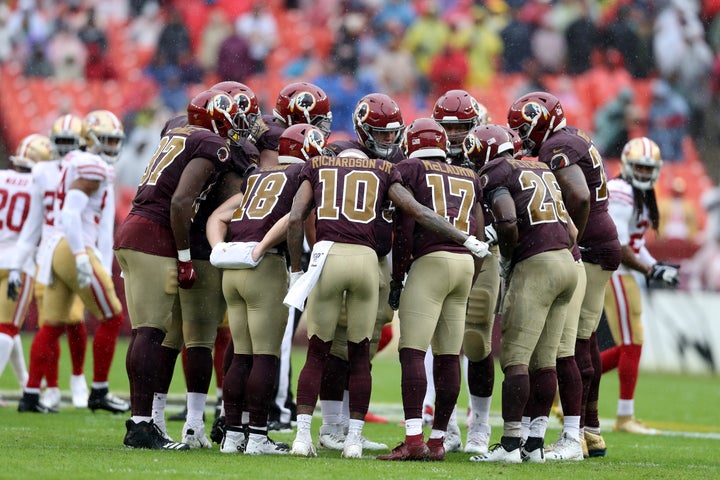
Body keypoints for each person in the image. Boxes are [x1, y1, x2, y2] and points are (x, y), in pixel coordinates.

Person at [286, 146, 490, 459]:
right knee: (364, 353)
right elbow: (417, 211)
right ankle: (361, 441)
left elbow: (297, 216)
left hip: (328, 254)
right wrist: (464, 240)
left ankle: (303, 437)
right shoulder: (384, 169)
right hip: (373, 261)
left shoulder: (316, 165)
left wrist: (297, 271)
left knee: (318, 351)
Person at [115, 89, 241, 450]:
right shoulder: (210, 143)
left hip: (133, 228)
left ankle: (143, 422)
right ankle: (140, 426)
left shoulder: (176, 130)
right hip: (153, 236)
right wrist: (185, 257)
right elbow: (181, 201)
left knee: (145, 333)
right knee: (151, 334)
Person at [508, 91, 621, 458]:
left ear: (541, 120)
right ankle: (589, 430)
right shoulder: (571, 135)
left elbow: (580, 195)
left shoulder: (557, 146)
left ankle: (579, 434)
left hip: (587, 246)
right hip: (597, 242)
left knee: (571, 346)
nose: (522, 134)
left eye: (525, 126)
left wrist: (571, 234)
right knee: (580, 343)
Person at [206, 123, 326, 455]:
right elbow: (293, 217)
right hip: (264, 266)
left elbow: (218, 216)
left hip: (232, 267)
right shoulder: (301, 174)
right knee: (266, 355)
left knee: (241, 354)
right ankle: (257, 436)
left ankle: (232, 436)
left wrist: (219, 248)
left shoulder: (257, 176)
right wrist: (262, 249)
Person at [377, 118, 486, 462]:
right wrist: (472, 272)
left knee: (412, 351)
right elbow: (479, 229)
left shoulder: (409, 168)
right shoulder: (468, 174)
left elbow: (405, 227)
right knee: (449, 354)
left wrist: (398, 278)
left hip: (432, 262)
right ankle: (438, 440)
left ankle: (413, 440)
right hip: (465, 265)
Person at [469, 123, 578, 464]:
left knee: (515, 359)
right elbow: (573, 230)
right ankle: (534, 444)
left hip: (537, 266)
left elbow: (506, 219)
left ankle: (512, 443)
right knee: (545, 361)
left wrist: (506, 256)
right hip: (566, 261)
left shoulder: (496, 171)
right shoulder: (539, 167)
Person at [18, 110, 129, 415]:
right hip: (74, 246)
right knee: (112, 317)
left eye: (113, 140)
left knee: (52, 325)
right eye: (104, 139)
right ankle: (99, 391)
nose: (109, 145)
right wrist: (81, 256)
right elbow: (70, 214)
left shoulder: (69, 163)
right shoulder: (93, 166)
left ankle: (30, 394)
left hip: (53, 249)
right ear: (89, 139)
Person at [316, 93, 404, 452]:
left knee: (364, 344)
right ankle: (331, 425)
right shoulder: (341, 155)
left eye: (391, 134)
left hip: (380, 259)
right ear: (362, 131)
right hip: (344, 252)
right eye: (380, 134)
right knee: (336, 342)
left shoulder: (399, 160)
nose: (387, 141)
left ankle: (349, 426)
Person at [11, 115, 90, 410]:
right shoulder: (41, 171)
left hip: (74, 247)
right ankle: (52, 387)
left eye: (71, 142)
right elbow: (32, 220)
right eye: (62, 142)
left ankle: (78, 378)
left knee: (74, 319)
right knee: (51, 322)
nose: (67, 148)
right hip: (48, 250)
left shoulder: (87, 165)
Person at [602, 137, 679, 434]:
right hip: (618, 272)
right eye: (639, 168)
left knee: (630, 345)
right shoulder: (621, 191)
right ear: (625, 165)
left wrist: (655, 267)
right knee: (632, 343)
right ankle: (624, 416)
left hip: (626, 273)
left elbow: (635, 244)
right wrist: (650, 270)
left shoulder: (638, 193)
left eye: (649, 169)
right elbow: (619, 246)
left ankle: (563, 386)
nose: (644, 174)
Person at [0, 134, 54, 405]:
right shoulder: (40, 184)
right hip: (17, 262)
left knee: (7, 327)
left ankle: (25, 383)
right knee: (7, 328)